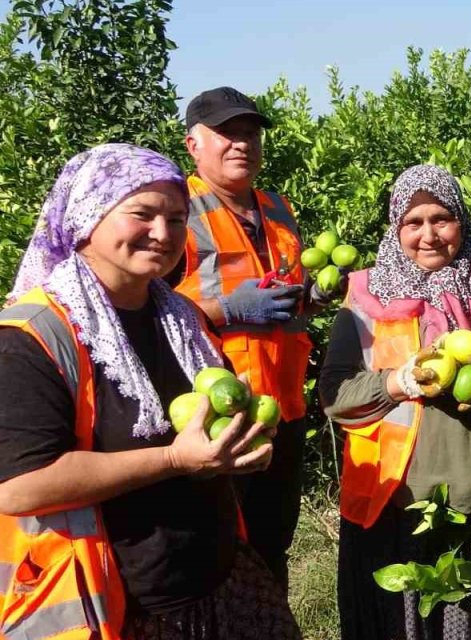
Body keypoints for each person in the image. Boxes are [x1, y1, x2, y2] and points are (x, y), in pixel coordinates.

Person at [0, 143, 300, 638]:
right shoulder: (33, 336)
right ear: (88, 216)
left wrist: (245, 441)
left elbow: (212, 426)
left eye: (178, 218)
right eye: (143, 214)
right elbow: (19, 485)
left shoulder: (183, 321)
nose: (163, 233)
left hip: (220, 579)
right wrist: (173, 460)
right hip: (112, 603)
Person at [320, 164, 471, 640]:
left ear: (463, 221)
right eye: (414, 222)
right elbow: (334, 394)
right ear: (396, 228)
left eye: (442, 218)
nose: (429, 235)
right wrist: (399, 382)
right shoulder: (364, 294)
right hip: (397, 502)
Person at [172, 86, 327, 589]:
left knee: (272, 541)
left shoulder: (276, 208)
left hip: (280, 408)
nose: (241, 144)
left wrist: (313, 295)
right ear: (194, 144)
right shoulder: (175, 211)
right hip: (216, 417)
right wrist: (226, 309)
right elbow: (145, 315)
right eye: (226, 134)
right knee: (223, 549)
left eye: (250, 134)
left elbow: (278, 291)